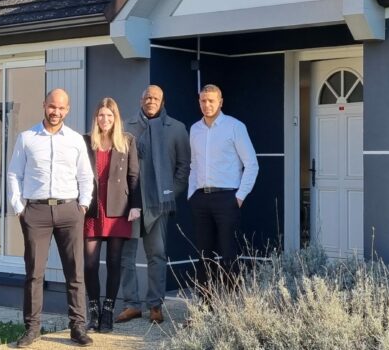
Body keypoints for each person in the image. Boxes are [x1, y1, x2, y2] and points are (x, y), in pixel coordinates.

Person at [6, 88, 94, 347]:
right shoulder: (26, 138)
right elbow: (13, 174)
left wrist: (83, 205)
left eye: (61, 108)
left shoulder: (76, 140)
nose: (56, 112)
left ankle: (78, 327)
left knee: (75, 272)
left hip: (70, 211)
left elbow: (86, 176)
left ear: (68, 110)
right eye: (52, 106)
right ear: (44, 105)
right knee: (34, 273)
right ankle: (32, 329)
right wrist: (19, 208)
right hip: (36, 212)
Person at [116, 85, 191, 324]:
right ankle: (131, 304)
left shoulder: (177, 129)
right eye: (147, 97)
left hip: (159, 205)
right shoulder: (126, 128)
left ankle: (155, 305)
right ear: (141, 100)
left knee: (156, 255)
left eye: (155, 97)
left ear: (162, 101)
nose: (151, 100)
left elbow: (184, 168)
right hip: (129, 204)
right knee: (126, 256)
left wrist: (169, 194)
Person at [188, 84, 258, 295]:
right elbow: (194, 164)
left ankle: (230, 305)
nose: (207, 105)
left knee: (229, 253)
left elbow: (252, 164)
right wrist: (192, 193)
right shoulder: (195, 129)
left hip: (227, 198)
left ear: (220, 102)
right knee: (203, 254)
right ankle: (205, 305)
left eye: (211, 101)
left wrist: (239, 197)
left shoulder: (234, 126)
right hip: (201, 199)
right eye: (203, 101)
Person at [81, 98, 140, 333]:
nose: (105, 120)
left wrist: (136, 206)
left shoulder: (127, 141)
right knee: (90, 264)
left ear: (116, 118)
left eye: (109, 115)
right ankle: (93, 311)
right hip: (93, 209)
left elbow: (134, 176)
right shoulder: (85, 141)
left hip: (119, 208)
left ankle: (108, 311)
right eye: (101, 115)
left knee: (115, 262)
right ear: (96, 117)